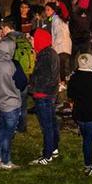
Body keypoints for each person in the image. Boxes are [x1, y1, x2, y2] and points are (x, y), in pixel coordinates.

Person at [0, 38, 28, 170]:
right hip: (11, 103)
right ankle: (5, 161)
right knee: (8, 134)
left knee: (1, 129)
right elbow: (22, 83)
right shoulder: (13, 65)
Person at [67, 54, 92, 176]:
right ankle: (88, 166)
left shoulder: (74, 77)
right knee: (89, 141)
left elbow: (70, 95)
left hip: (79, 114)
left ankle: (88, 160)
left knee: (86, 137)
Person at [29, 28, 60, 165]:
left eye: (33, 38)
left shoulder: (44, 56)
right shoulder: (51, 53)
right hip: (51, 93)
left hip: (43, 94)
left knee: (46, 125)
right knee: (52, 123)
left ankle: (47, 155)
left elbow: (42, 77)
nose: (31, 41)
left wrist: (32, 84)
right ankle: (54, 148)